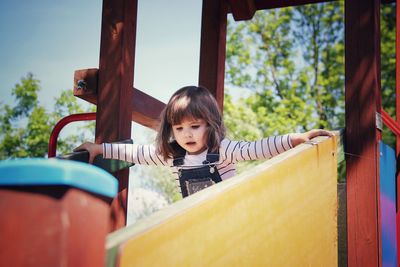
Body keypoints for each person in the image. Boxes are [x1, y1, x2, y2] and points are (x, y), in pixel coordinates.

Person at [75, 85, 333, 197]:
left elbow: (259, 148)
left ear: (210, 124)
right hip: (198, 219)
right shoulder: (171, 155)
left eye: (195, 126)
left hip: (232, 212)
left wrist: (297, 138)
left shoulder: (223, 150)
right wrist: (99, 148)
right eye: (179, 128)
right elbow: (137, 153)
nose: (186, 134)